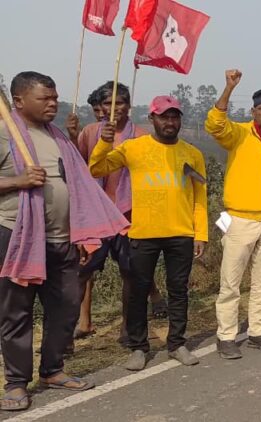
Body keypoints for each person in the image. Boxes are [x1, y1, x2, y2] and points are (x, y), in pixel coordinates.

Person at [1, 71, 129, 411]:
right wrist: (17, 181)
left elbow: (79, 184)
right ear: (19, 101)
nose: (53, 104)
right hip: (17, 237)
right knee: (17, 312)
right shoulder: (4, 132)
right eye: (44, 98)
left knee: (66, 305)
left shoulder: (57, 136)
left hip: (63, 238)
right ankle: (16, 383)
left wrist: (83, 235)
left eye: (55, 97)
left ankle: (52, 370)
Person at [88, 95, 207, 370]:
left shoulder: (192, 154)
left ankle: (176, 344)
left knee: (178, 291)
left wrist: (200, 233)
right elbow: (96, 168)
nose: (170, 122)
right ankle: (138, 348)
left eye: (174, 116)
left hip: (181, 233)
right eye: (164, 116)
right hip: (143, 233)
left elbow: (200, 197)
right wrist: (104, 142)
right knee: (138, 291)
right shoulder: (134, 148)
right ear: (152, 118)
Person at [69, 82, 167, 345]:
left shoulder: (142, 137)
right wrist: (72, 136)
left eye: (120, 103)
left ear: (128, 106)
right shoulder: (91, 132)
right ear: (101, 107)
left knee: (130, 274)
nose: (114, 109)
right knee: (81, 272)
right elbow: (78, 165)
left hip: (129, 216)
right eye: (108, 104)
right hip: (97, 215)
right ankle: (65, 334)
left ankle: (126, 328)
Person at [205, 69, 261, 359]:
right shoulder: (239, 134)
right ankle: (226, 336)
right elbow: (215, 124)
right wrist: (228, 88)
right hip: (240, 219)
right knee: (231, 282)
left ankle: (257, 331)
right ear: (253, 111)